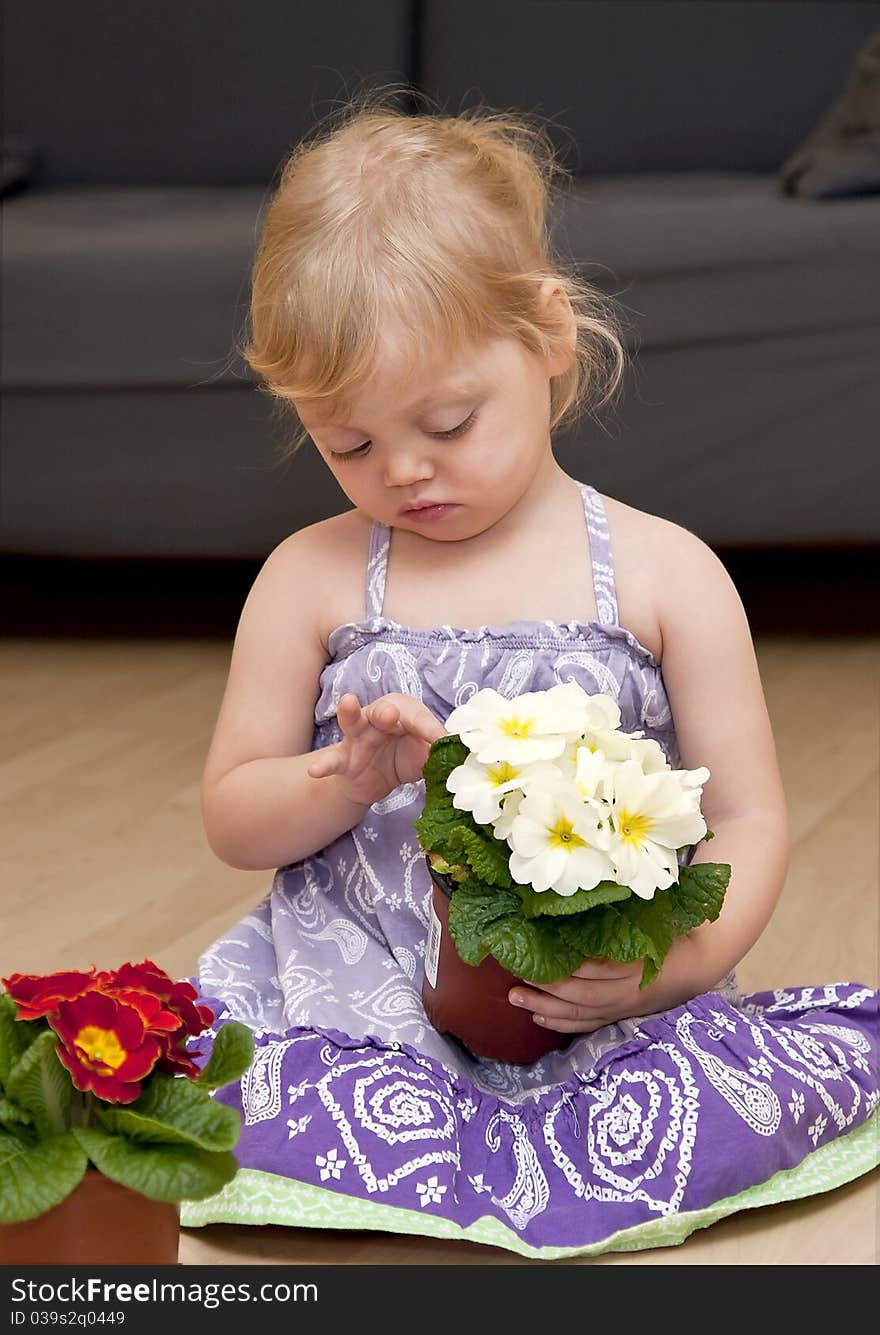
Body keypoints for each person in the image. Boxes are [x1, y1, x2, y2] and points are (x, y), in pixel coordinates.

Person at [181, 89, 879, 1257]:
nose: (401, 471)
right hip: (365, 998)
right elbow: (232, 819)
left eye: (448, 422)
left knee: (677, 1111)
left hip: (601, 993)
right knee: (267, 1106)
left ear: (549, 335)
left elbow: (748, 816)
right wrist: (341, 779)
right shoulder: (311, 578)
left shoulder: (665, 574)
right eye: (346, 442)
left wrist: (675, 972)